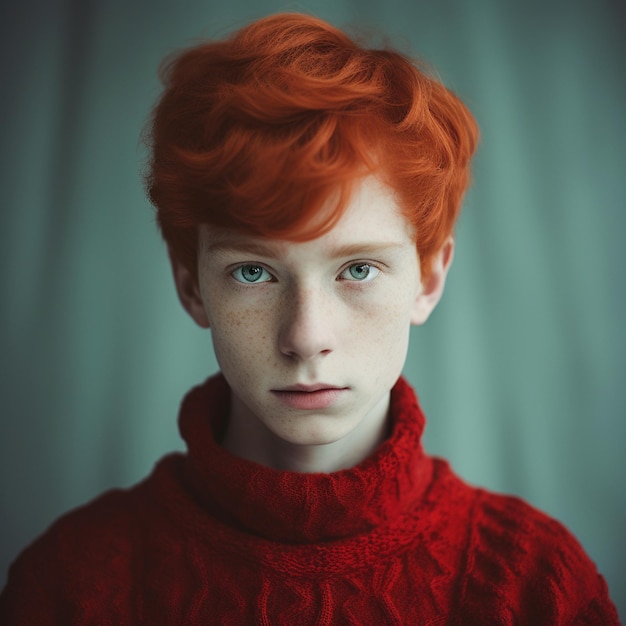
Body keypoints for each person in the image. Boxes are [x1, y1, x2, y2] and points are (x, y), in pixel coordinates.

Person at [0, 12, 620, 625]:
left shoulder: (537, 583)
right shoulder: (70, 583)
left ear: (428, 280)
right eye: (253, 272)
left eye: (358, 270)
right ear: (191, 285)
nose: (306, 338)